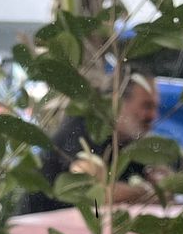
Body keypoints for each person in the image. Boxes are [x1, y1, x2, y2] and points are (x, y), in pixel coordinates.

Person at [20, 71, 168, 215]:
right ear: (117, 102)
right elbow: (98, 192)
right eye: (147, 106)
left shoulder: (127, 141)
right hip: (38, 228)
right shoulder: (84, 130)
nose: (153, 115)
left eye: (156, 107)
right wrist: (147, 191)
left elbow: (163, 183)